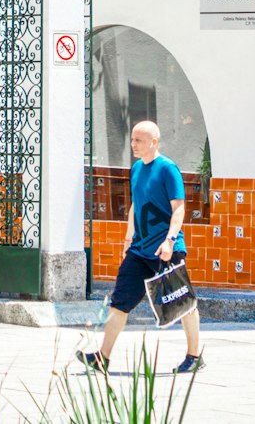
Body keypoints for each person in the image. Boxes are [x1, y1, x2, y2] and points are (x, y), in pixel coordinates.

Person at [79, 120, 204, 376]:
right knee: (119, 302)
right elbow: (136, 206)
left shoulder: (168, 169)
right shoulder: (136, 169)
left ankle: (194, 356)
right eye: (133, 139)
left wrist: (169, 240)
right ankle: (102, 358)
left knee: (183, 304)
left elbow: (178, 208)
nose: (133, 144)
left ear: (154, 142)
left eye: (139, 140)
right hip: (138, 250)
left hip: (165, 249)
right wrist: (127, 241)